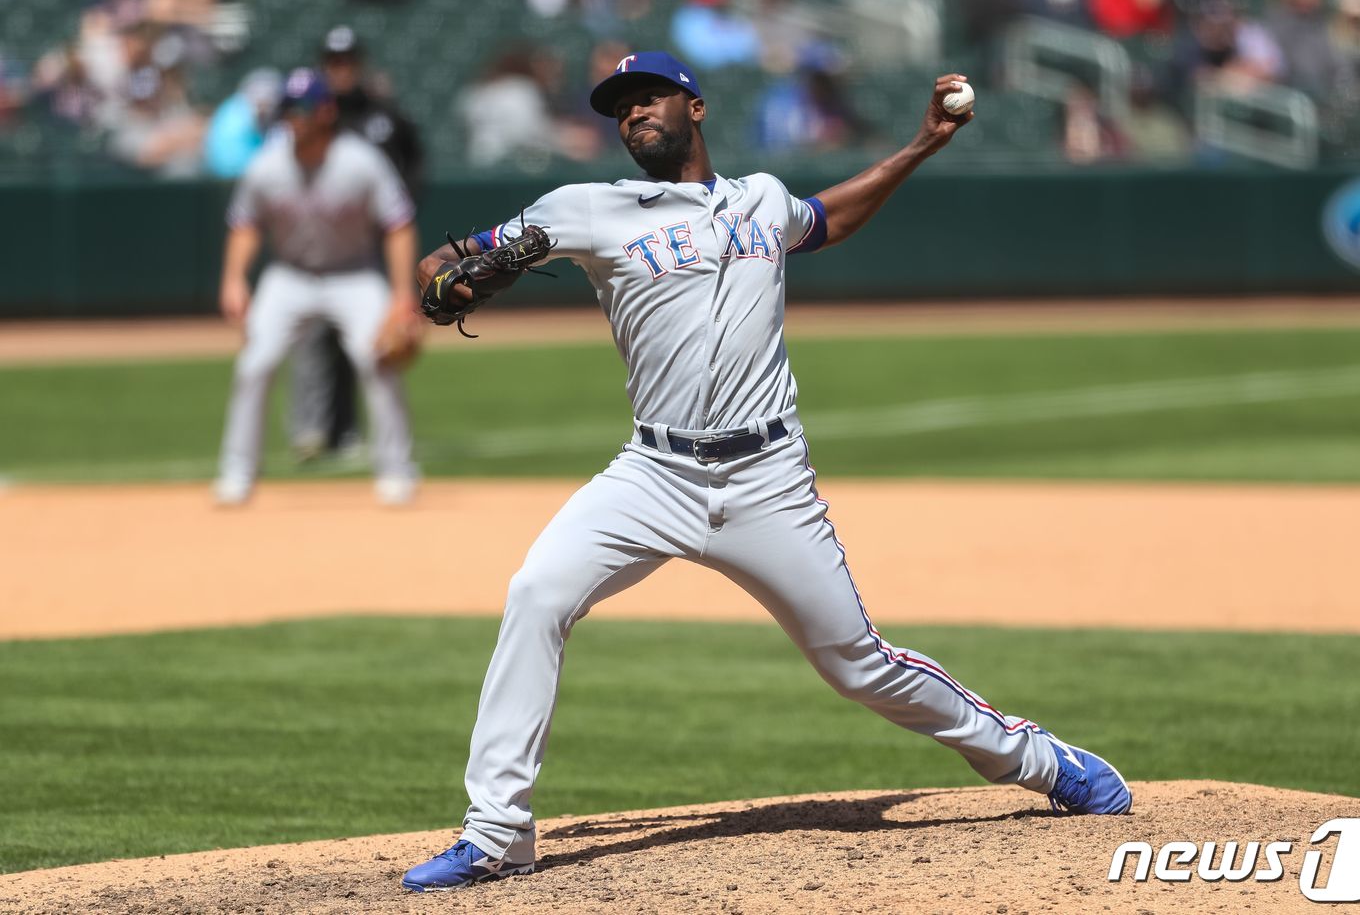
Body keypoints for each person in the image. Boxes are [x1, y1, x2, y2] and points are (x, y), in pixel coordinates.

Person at [402, 51, 1132, 893]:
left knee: (857, 663)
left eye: (650, 97)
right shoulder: (584, 208)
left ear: (696, 107)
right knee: (537, 593)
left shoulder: (762, 198)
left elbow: (828, 218)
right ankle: (498, 832)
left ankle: (1038, 759)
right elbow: (441, 262)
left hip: (767, 479)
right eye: (621, 106)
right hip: (653, 475)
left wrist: (922, 144)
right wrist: (448, 284)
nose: (634, 112)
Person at [213, 68, 420, 506]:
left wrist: (402, 294)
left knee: (376, 359)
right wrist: (233, 279)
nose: (294, 118)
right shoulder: (267, 166)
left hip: (354, 273)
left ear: (326, 112)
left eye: (302, 109)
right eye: (289, 109)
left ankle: (397, 470)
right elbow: (245, 225)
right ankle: (237, 473)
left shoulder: (361, 162)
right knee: (254, 364)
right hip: (289, 276)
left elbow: (398, 225)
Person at [286, 26, 428, 463]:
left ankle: (360, 434)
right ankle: (314, 430)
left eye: (347, 61)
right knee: (314, 335)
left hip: (378, 240)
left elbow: (415, 159)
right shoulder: (314, 117)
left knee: (373, 340)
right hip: (328, 243)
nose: (341, 69)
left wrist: (401, 209)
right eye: (334, 61)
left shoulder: (383, 113)